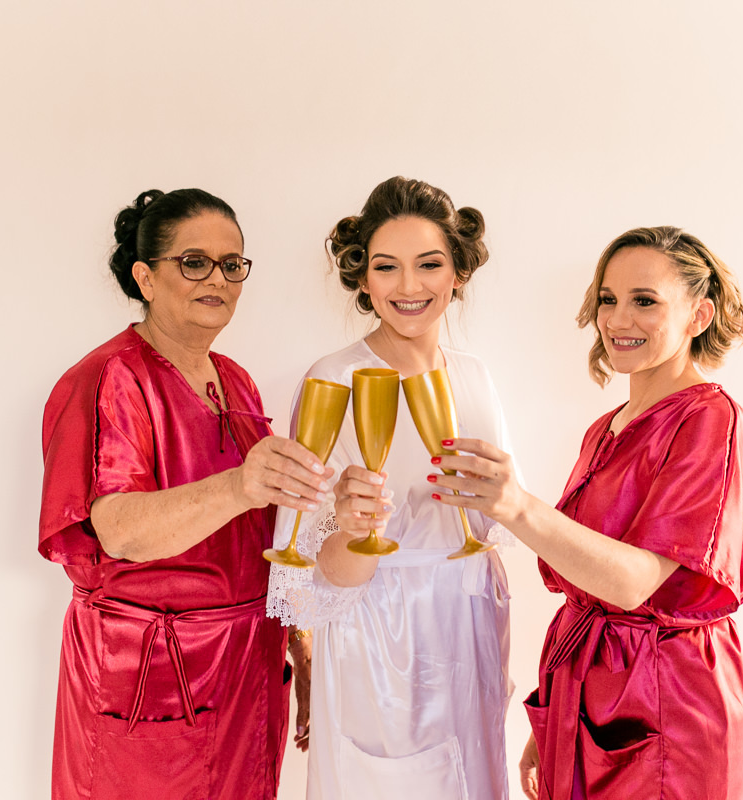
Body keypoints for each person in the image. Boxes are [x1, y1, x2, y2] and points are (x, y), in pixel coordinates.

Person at [431, 227, 743, 799]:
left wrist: (516, 505)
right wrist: (556, 714)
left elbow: (633, 583)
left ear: (699, 315)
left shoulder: (712, 421)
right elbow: (587, 577)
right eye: (608, 299)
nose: (617, 318)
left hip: (669, 704)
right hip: (588, 697)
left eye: (645, 301)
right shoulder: (605, 428)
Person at [39, 188, 329, 800]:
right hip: (151, 675)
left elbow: (262, 538)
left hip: (246, 670)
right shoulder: (111, 377)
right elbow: (119, 529)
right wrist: (239, 484)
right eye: (194, 262)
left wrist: (298, 641)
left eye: (231, 264)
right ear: (145, 277)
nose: (216, 279)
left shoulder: (236, 380)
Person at [266, 177, 514, 799]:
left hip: (472, 634)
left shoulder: (476, 378)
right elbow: (310, 579)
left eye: (429, 264)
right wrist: (355, 529)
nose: (408, 286)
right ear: (363, 278)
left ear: (457, 272)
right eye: (386, 267)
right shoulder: (335, 380)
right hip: (380, 649)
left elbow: (498, 526)